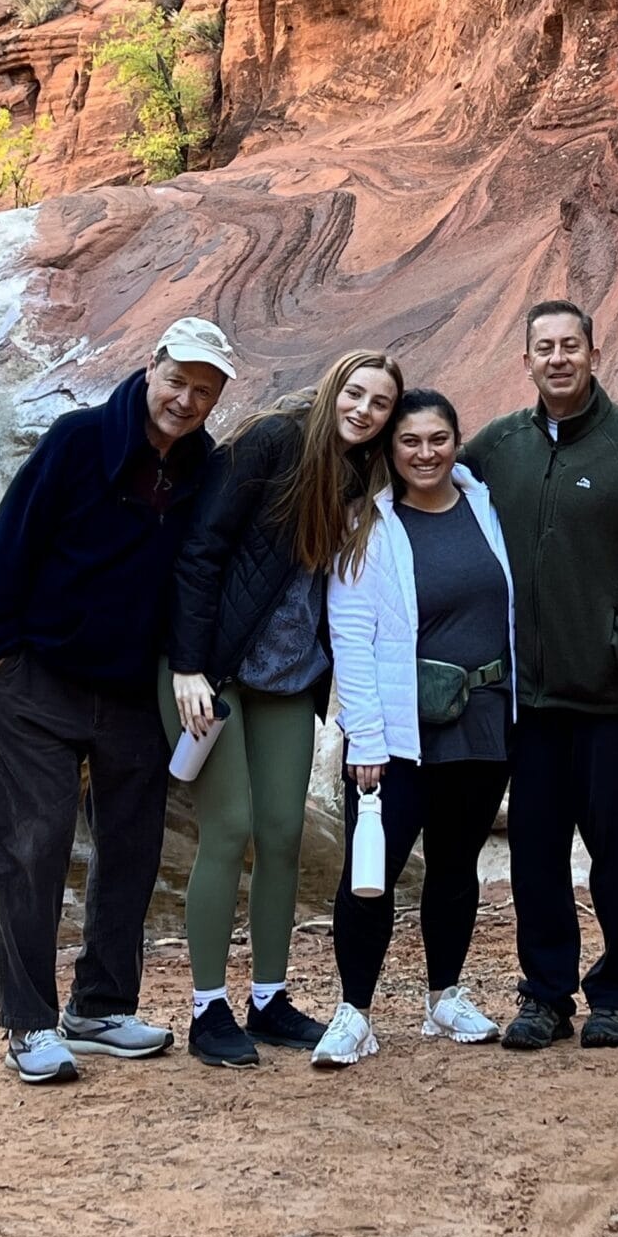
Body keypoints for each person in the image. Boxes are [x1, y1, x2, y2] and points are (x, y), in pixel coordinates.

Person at [0, 318, 236, 1085]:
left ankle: (101, 1006)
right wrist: (1, 644)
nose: (185, 400)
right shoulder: (79, 440)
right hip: (40, 678)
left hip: (131, 689)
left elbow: (200, 571)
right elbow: (12, 538)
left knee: (131, 849)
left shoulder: (201, 469)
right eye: (177, 380)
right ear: (151, 366)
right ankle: (27, 1023)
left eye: (203, 391)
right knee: (32, 847)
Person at [463, 301, 618, 1050]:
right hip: (528, 704)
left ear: (594, 354)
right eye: (544, 348)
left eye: (571, 346)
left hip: (617, 701)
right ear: (525, 360)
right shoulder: (498, 447)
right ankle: (544, 995)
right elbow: (431, 496)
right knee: (535, 858)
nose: (558, 358)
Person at [160, 349, 403, 1066]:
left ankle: (268, 998)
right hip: (216, 670)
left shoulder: (365, 474)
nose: (363, 409)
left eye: (379, 402)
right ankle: (208, 1008)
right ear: (332, 384)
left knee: (284, 834)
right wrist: (189, 666)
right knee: (229, 828)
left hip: (291, 677)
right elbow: (202, 549)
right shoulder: (273, 440)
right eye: (354, 392)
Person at [314, 389, 517, 1067]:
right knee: (371, 871)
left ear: (457, 442)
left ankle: (445, 997)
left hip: (482, 719)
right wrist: (363, 739)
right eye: (410, 442)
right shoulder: (368, 527)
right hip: (397, 731)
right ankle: (355, 1012)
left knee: (456, 868)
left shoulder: (485, 507)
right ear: (390, 451)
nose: (425, 454)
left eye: (438, 440)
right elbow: (352, 636)